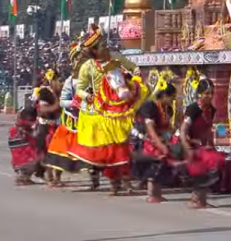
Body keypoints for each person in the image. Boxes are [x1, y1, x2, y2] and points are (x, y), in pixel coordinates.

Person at [69, 25, 145, 195]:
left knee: (121, 147)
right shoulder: (88, 67)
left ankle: (126, 183)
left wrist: (132, 78)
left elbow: (134, 68)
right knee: (108, 150)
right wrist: (87, 96)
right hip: (100, 111)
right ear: (94, 51)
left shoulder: (116, 58)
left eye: (105, 44)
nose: (106, 47)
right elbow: (79, 88)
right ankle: (112, 183)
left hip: (120, 107)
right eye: (102, 46)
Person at [44, 43, 91, 187]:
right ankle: (55, 178)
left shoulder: (95, 79)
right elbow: (63, 101)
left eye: (84, 59)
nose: (81, 62)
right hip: (71, 122)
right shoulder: (70, 82)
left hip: (90, 120)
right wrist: (74, 103)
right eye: (78, 59)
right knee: (61, 150)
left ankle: (97, 179)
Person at [131, 79, 180, 203]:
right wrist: (161, 145)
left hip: (156, 139)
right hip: (142, 140)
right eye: (172, 97)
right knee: (156, 161)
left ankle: (157, 193)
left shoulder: (167, 109)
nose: (173, 100)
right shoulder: (150, 107)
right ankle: (151, 194)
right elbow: (150, 129)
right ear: (164, 96)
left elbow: (167, 127)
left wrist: (174, 135)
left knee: (165, 161)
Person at [181, 78, 226, 209]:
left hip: (201, 145)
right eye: (206, 93)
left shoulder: (211, 110)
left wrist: (212, 146)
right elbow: (183, 130)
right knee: (200, 170)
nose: (210, 96)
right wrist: (188, 149)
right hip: (189, 143)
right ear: (200, 94)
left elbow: (208, 130)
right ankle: (196, 199)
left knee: (213, 164)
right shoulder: (193, 109)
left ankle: (201, 200)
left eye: (211, 93)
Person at [8, 104, 41, 185]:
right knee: (31, 159)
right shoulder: (27, 122)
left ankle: (24, 177)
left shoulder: (20, 122)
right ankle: (22, 178)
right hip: (23, 143)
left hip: (16, 143)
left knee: (21, 160)